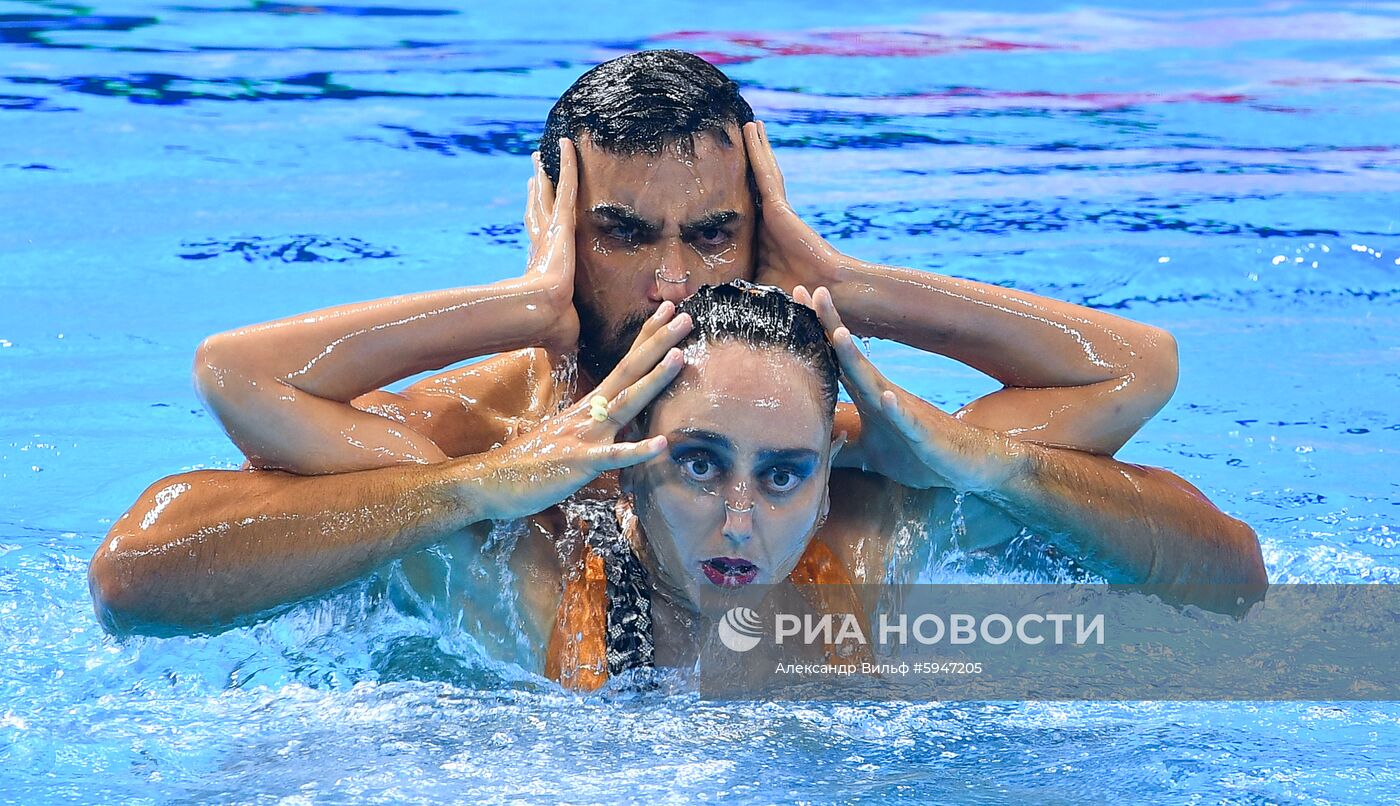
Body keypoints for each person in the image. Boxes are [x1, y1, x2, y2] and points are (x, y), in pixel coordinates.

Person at [88, 50, 1266, 669]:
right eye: (620, 234)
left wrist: (841, 289)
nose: (672, 283)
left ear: (757, 232)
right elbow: (145, 561)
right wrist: (520, 316)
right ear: (555, 226)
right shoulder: (470, 440)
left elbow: (1134, 378)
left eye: (711, 234)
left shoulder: (828, 445)